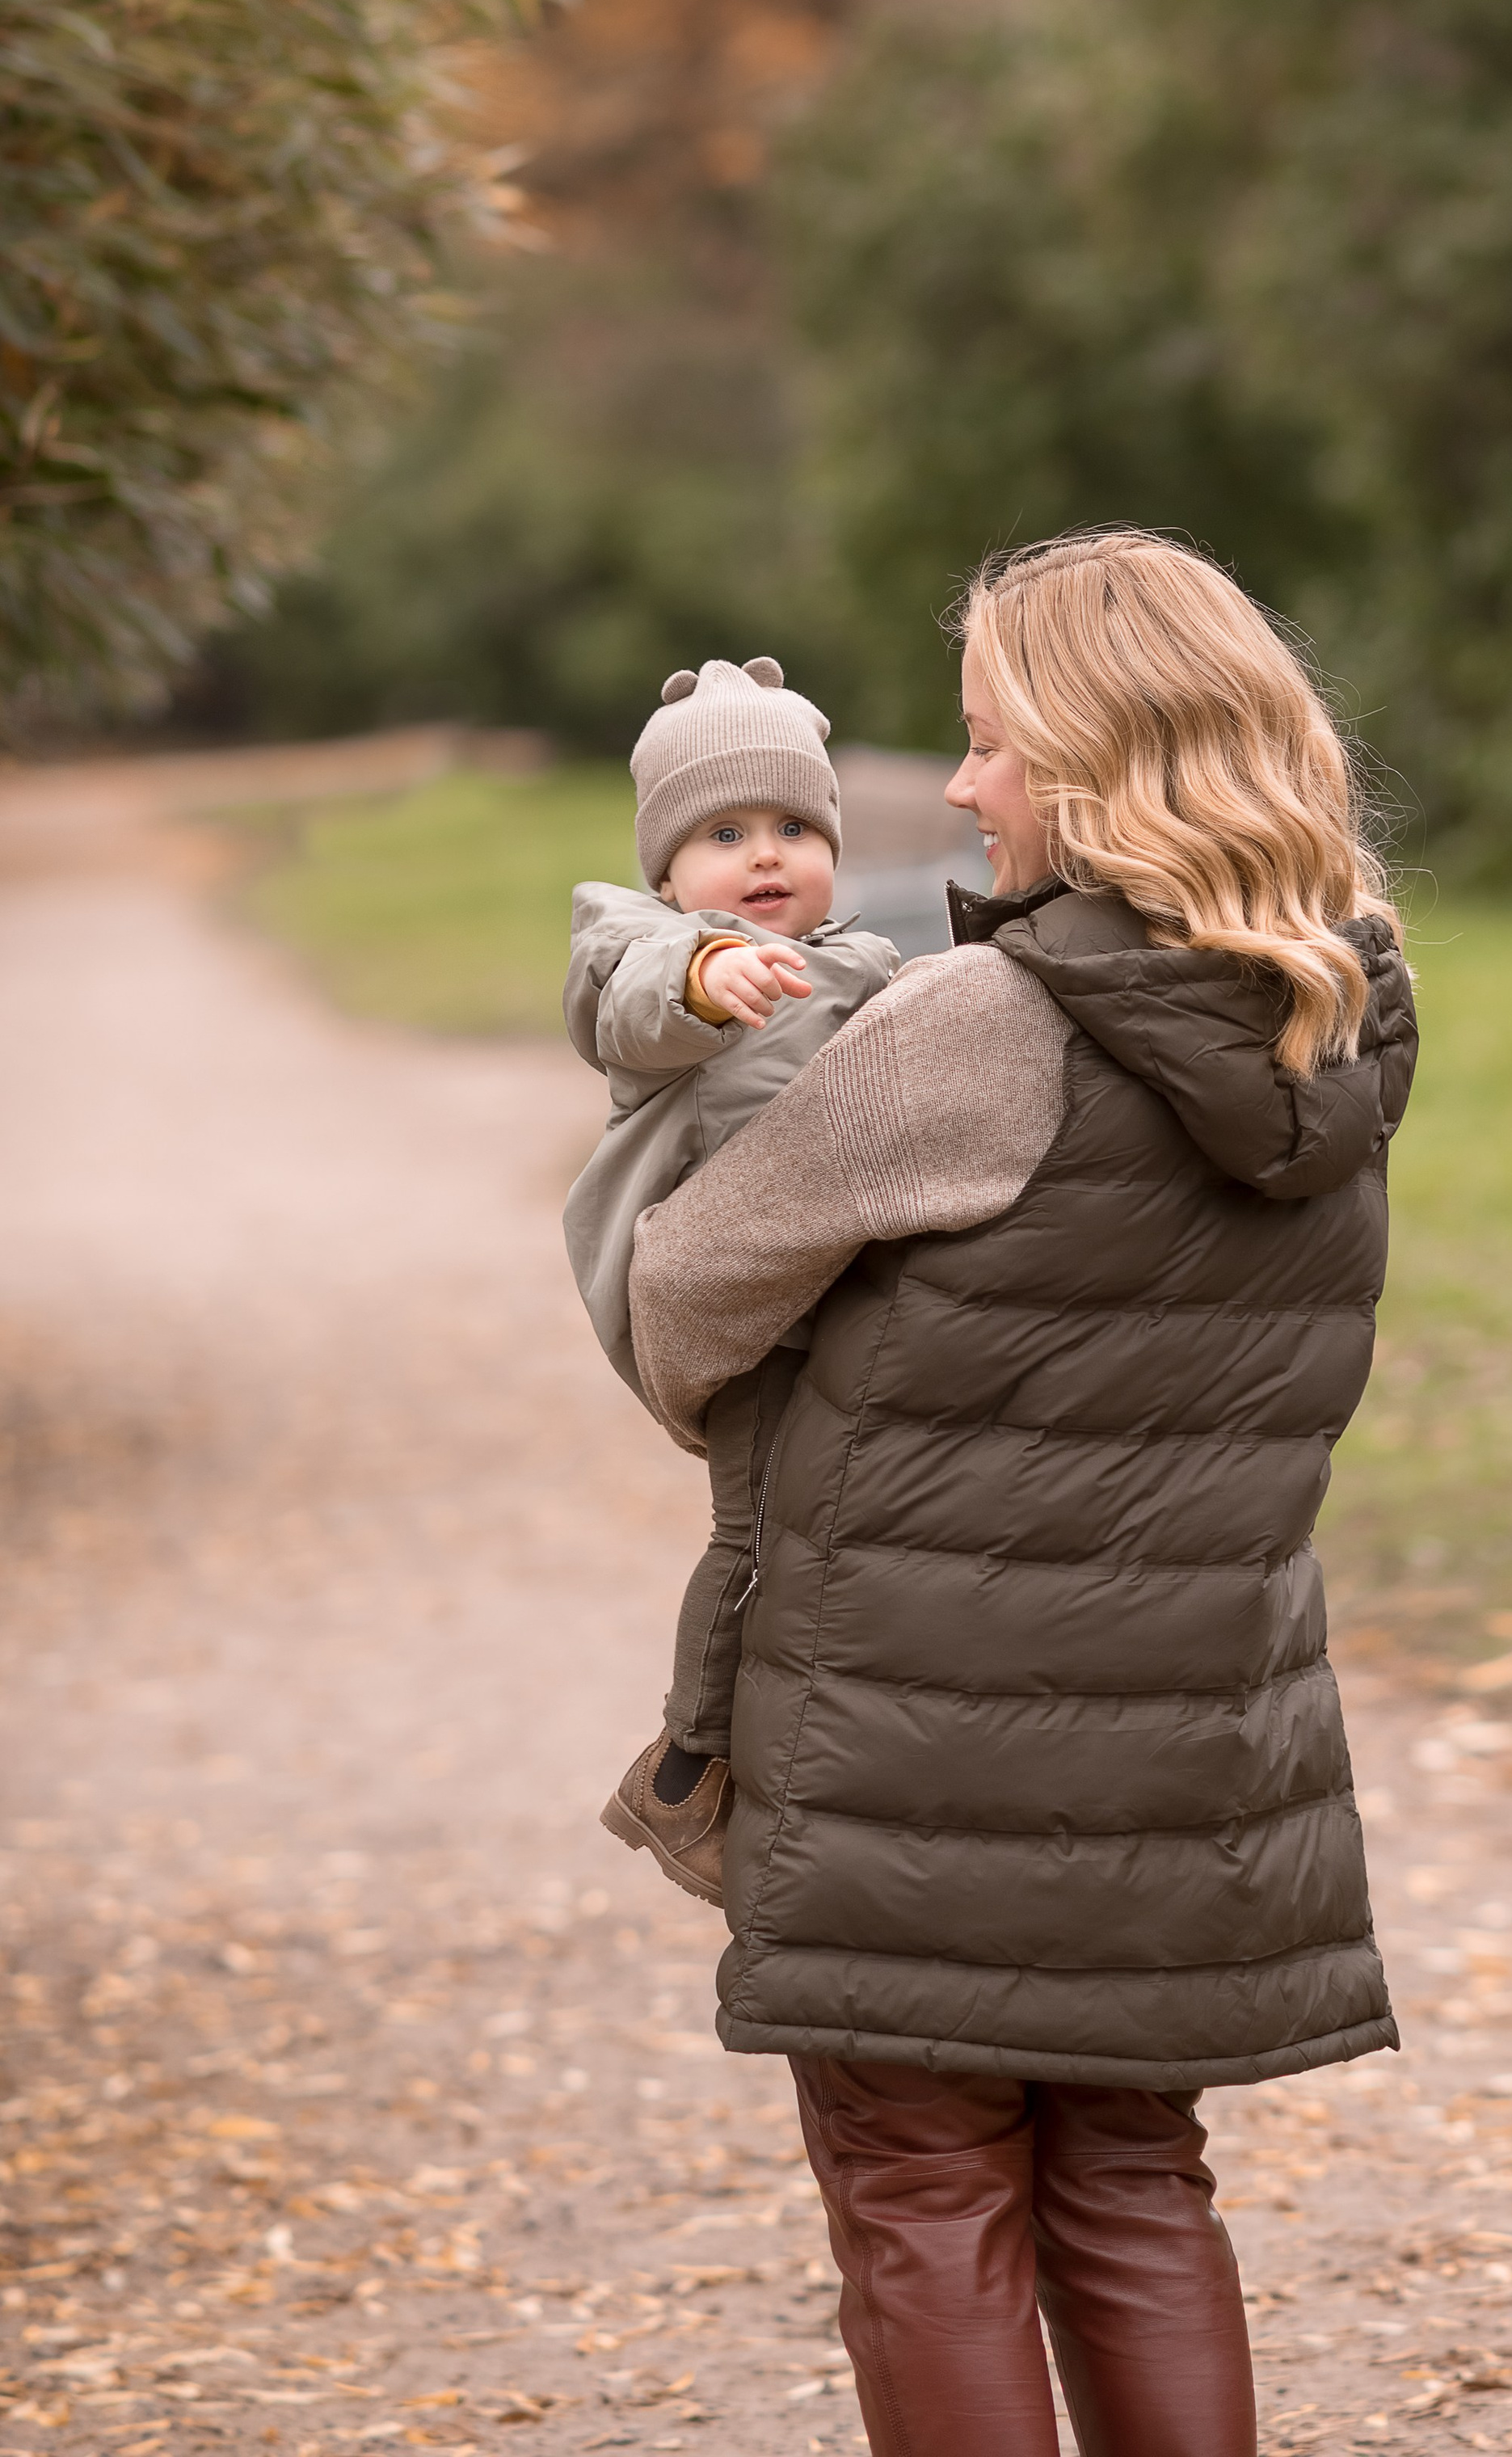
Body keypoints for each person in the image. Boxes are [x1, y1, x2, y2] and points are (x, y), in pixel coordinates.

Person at [625, 529, 1419, 2457]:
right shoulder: (1336, 1018)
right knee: (1138, 2184)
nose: (960, 789)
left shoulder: (980, 1028)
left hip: (910, 1743)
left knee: (920, 2192)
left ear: (1091, 758)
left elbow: (680, 1300)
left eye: (987, 745)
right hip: (1183, 1745)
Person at [562, 654, 899, 1903]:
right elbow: (641, 1007)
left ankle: (815, 1738)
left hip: (826, 1297)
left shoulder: (854, 959)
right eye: (725, 832)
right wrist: (709, 976)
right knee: (755, 1533)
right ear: (667, 869)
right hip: (725, 1306)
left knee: (838, 1522)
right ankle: (685, 1769)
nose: (767, 856)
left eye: (796, 827)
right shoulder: (640, 945)